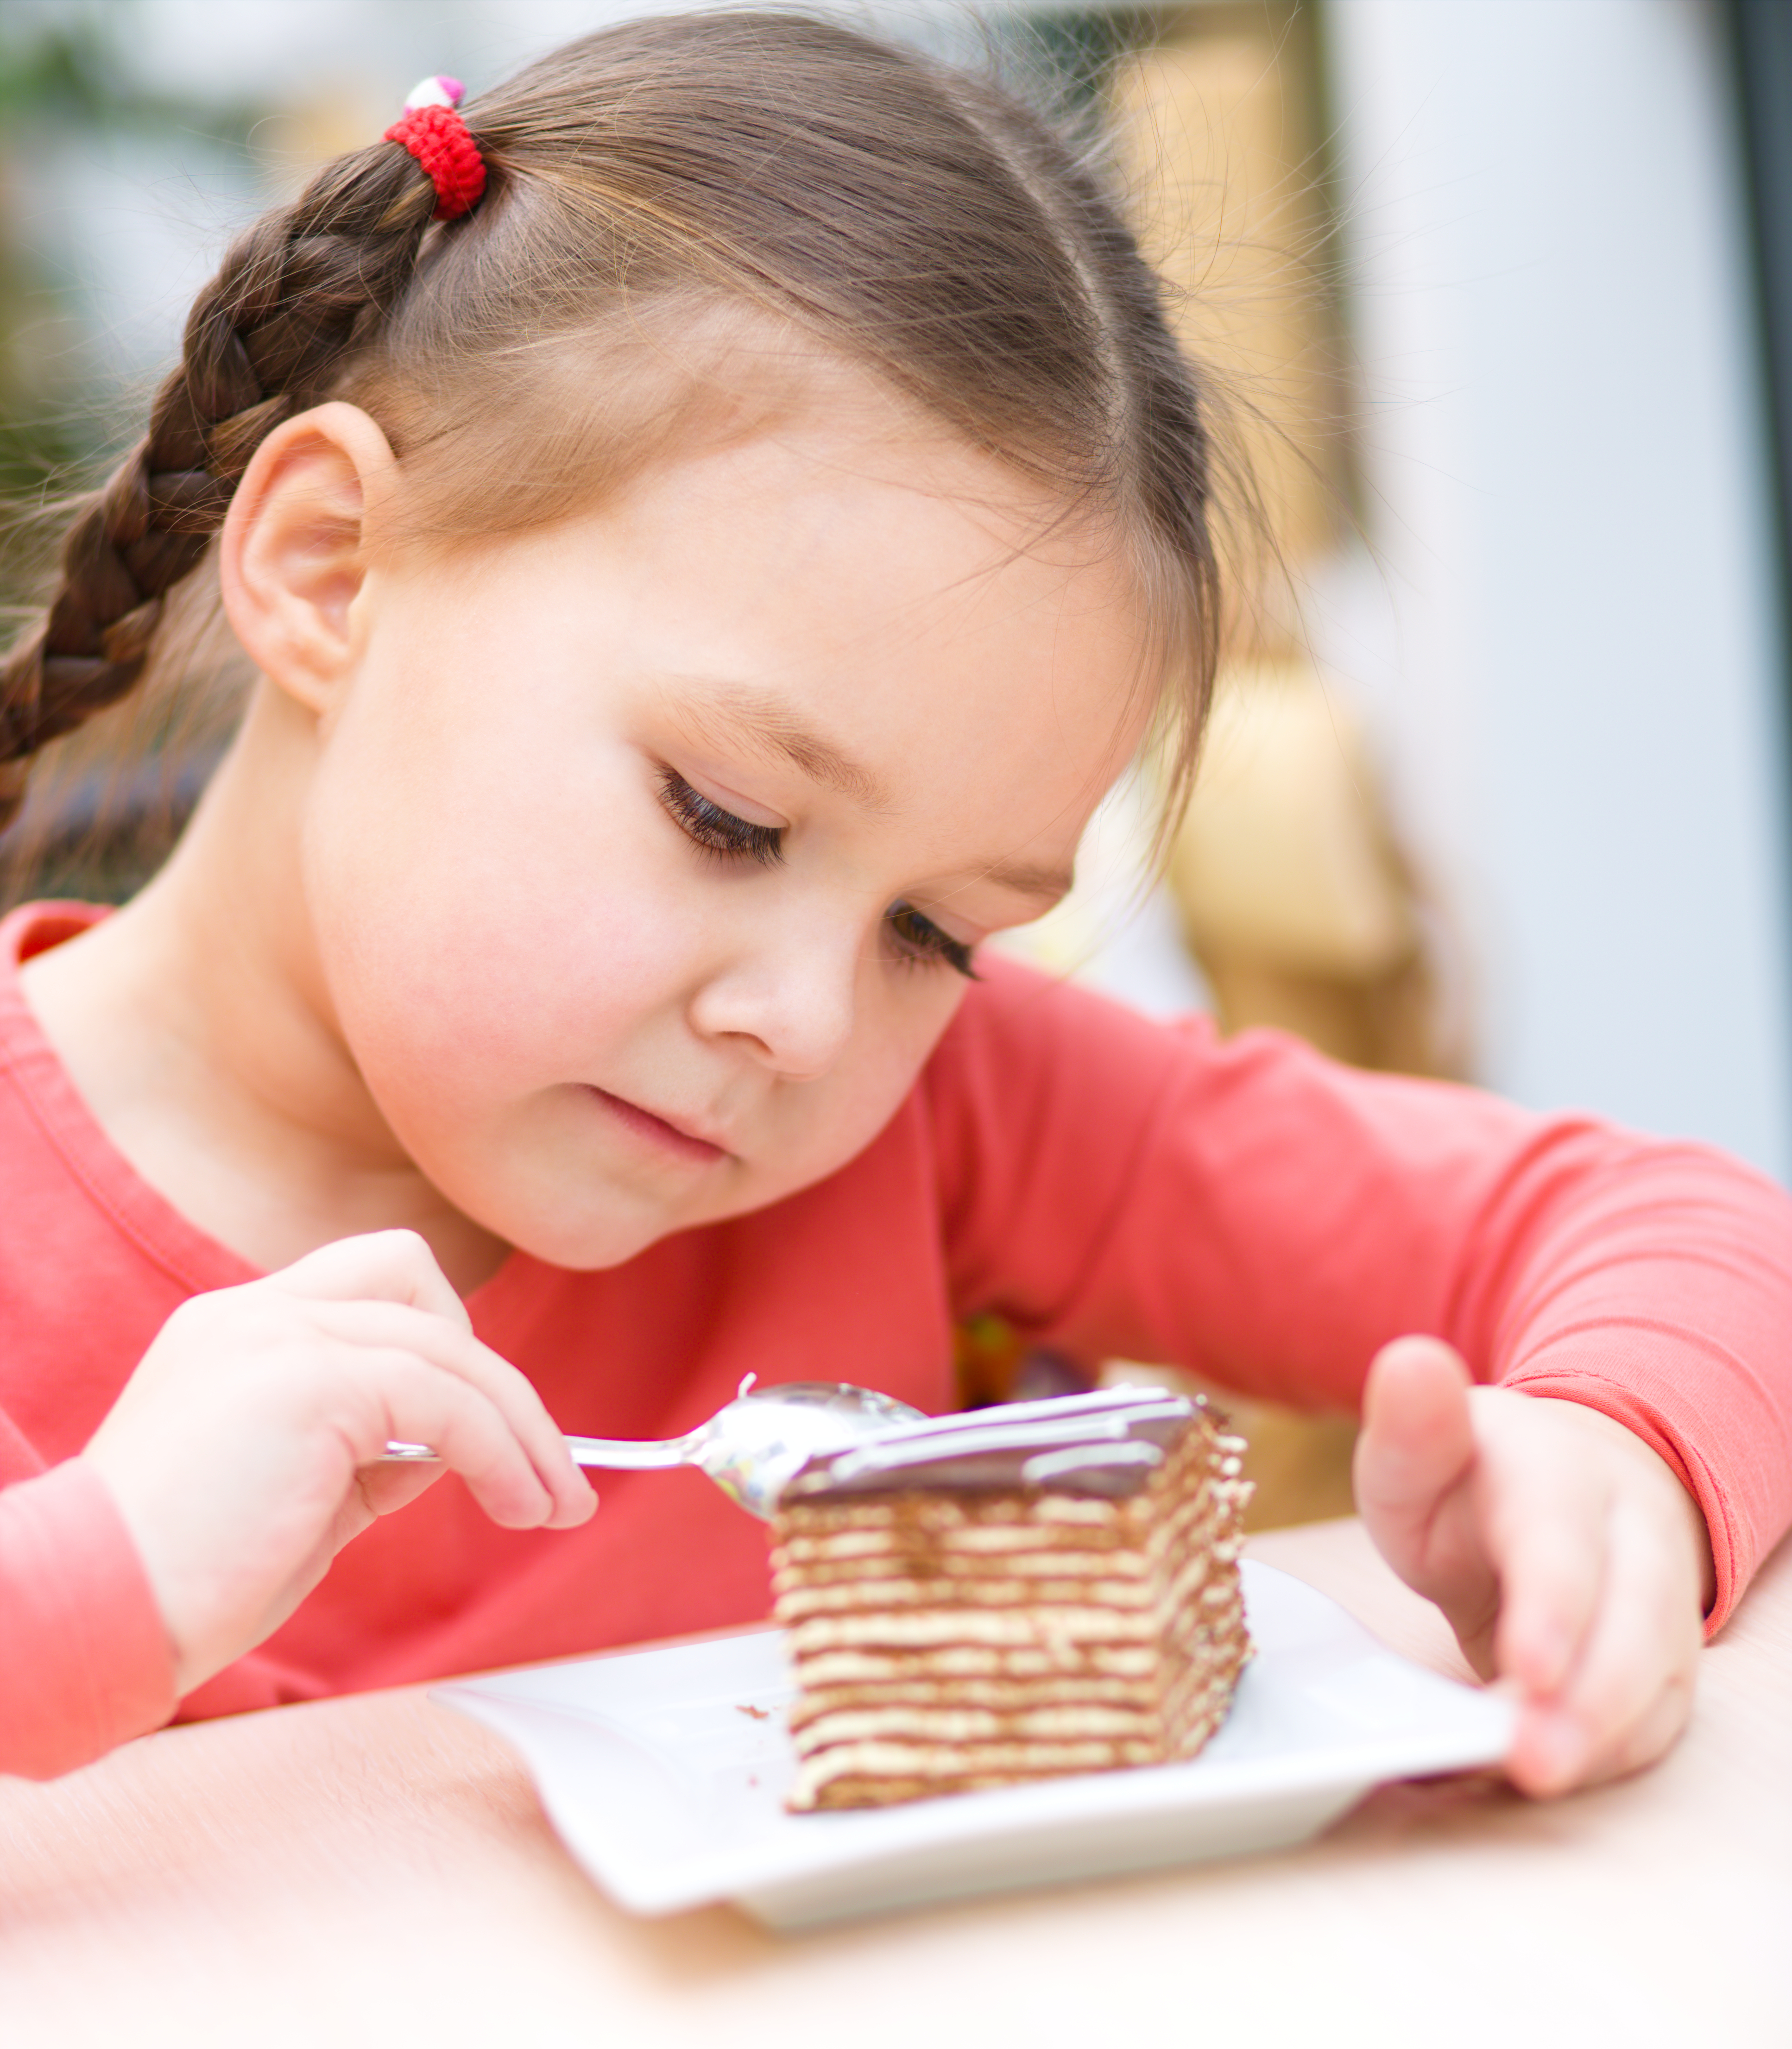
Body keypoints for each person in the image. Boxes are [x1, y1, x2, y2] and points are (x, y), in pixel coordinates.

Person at [0, 15, 1785, 1797]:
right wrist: (110, 1578)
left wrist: (1615, 1457)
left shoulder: (939, 1119)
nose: (811, 1019)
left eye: (936, 933)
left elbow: (1687, 1233)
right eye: (727, 818)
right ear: (329, 568)